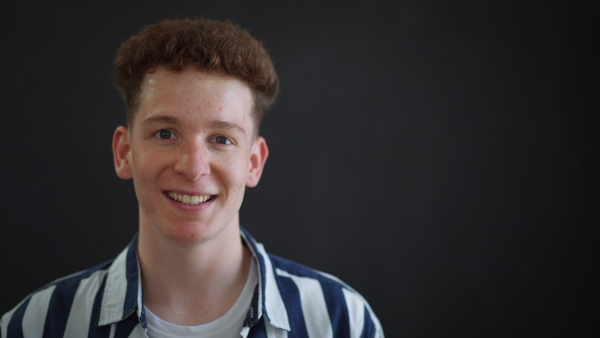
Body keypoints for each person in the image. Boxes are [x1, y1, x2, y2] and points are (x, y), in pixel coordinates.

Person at [1, 18, 383, 338]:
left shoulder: (341, 322)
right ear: (124, 153)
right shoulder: (37, 324)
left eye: (221, 139)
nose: (194, 167)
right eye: (165, 134)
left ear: (253, 163)